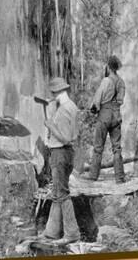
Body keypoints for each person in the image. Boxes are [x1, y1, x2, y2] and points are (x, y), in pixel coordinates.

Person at [42, 77, 80, 244]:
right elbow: (74, 136)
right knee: (57, 192)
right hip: (68, 153)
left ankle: (72, 233)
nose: (52, 96)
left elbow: (64, 138)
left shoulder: (64, 110)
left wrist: (50, 126)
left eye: (53, 93)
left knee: (62, 194)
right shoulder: (72, 106)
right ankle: (52, 232)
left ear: (57, 92)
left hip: (60, 153)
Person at [88, 55, 126, 183]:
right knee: (117, 148)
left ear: (109, 67)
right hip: (116, 115)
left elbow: (97, 99)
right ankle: (120, 178)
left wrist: (94, 108)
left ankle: (93, 176)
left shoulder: (105, 81)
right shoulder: (121, 82)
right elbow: (120, 101)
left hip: (104, 115)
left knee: (98, 147)